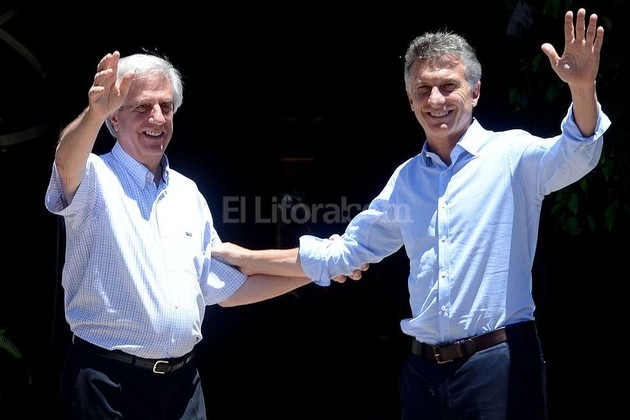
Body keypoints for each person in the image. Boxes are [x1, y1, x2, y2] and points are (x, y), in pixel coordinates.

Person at [211, 8, 610, 419]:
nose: (435, 100)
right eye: (423, 89)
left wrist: (583, 88)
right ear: (410, 101)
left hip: (500, 365)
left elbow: (578, 153)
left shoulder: (511, 155)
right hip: (424, 375)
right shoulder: (407, 180)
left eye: (448, 86)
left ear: (475, 92)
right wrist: (246, 258)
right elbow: (346, 253)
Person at [44, 50, 364, 420]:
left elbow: (229, 288)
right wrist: (94, 113)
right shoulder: (95, 176)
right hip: (107, 384)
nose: (158, 118)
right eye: (142, 107)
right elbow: (65, 162)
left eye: (166, 107)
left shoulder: (188, 193)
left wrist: (323, 266)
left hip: (182, 387)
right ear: (115, 117)